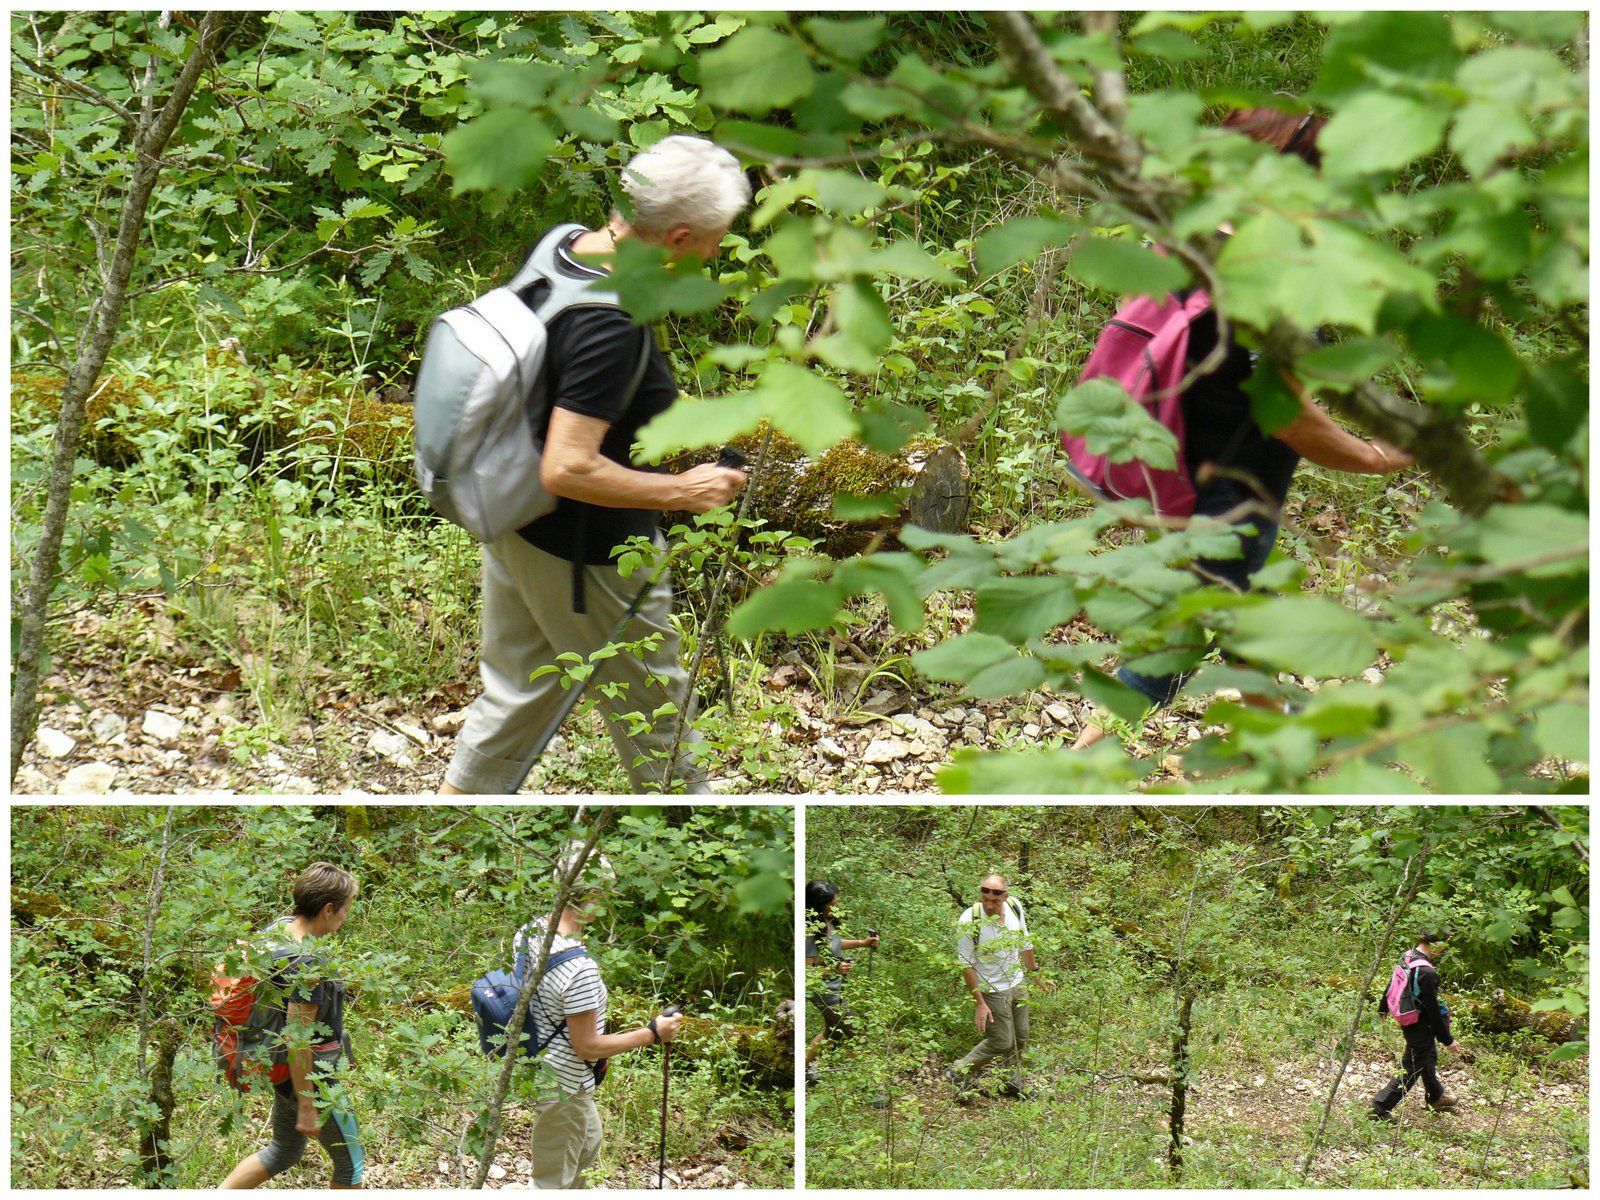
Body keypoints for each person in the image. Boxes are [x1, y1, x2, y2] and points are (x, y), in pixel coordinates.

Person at [1073, 106, 1416, 749]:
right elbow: (1287, 416)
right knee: (1171, 646)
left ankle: (1271, 730)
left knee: (1240, 610)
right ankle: (1066, 773)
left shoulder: (1188, 238)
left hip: (1169, 475)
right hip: (1227, 495)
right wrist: (1375, 457)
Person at [441, 135, 752, 795]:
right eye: (714, 237)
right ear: (676, 236)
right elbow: (569, 466)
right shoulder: (612, 321)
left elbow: (563, 384)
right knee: (659, 734)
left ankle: (462, 803)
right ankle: (687, 849)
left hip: (517, 523)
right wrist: (681, 491)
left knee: (516, 699)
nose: (717, 250)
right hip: (588, 555)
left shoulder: (566, 245)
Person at [514, 842, 683, 1188]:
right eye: (604, 894)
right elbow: (587, 1047)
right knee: (552, 1182)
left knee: (586, 1158)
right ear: (590, 894)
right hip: (564, 1086)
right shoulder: (580, 969)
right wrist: (653, 1033)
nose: (607, 902)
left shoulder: (530, 932)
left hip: (541, 1070)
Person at [220, 862, 364, 1189]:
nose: (345, 918)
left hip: (283, 1072)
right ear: (328, 909)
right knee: (350, 1165)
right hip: (312, 1079)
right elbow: (297, 1038)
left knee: (283, 1152)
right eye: (345, 910)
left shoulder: (278, 930)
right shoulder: (307, 963)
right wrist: (308, 1103)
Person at [946, 875, 1055, 1104]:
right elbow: (965, 964)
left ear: (1005, 897)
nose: (988, 905)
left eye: (994, 901)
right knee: (1002, 1040)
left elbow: (1024, 943)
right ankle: (959, 1070)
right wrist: (980, 1003)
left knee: (1020, 1036)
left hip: (1016, 982)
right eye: (984, 899)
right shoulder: (970, 920)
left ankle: (1011, 1082)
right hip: (991, 989)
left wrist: (1035, 974)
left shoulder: (1015, 908)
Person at [1370, 931, 1463, 1121]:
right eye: (1444, 945)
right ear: (1435, 943)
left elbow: (1394, 980)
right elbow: (1433, 1011)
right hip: (1420, 1024)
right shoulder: (1427, 973)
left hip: (1409, 1018)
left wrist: (1384, 1005)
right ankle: (1379, 1108)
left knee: (1428, 1056)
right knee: (1411, 1067)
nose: (1444, 949)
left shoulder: (1408, 955)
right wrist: (1447, 1039)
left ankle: (1436, 1097)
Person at [803, 880, 880, 1084]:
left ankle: (801, 1070)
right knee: (855, 1031)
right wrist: (833, 969)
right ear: (820, 904)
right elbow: (806, 973)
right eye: (834, 903)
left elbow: (833, 944)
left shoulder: (824, 922)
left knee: (832, 1032)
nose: (838, 907)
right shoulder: (809, 930)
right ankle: (871, 1085)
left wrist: (862, 943)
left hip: (833, 989)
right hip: (823, 992)